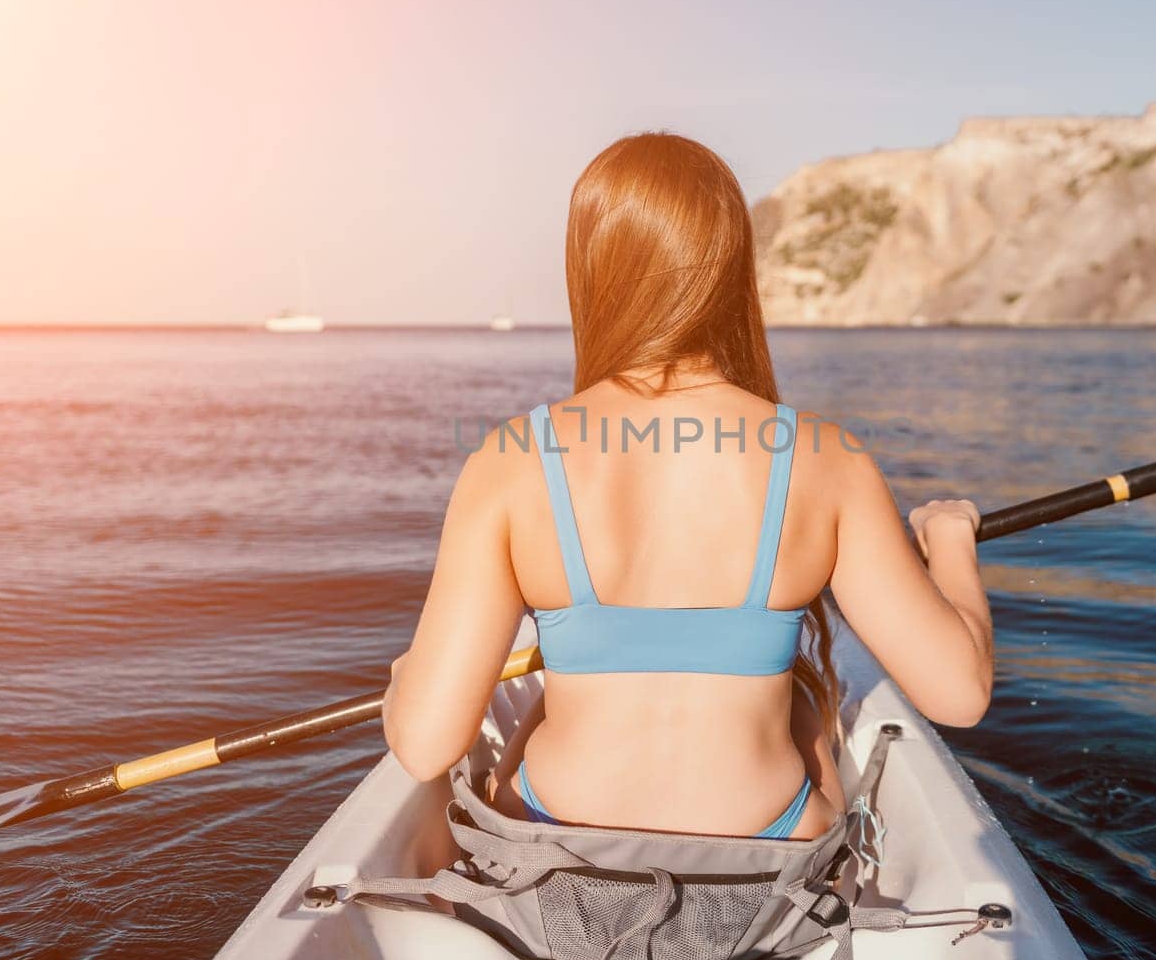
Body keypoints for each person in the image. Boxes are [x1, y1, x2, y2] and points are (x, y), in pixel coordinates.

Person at [383, 132, 993, 844]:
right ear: (732, 269)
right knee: (806, 710)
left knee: (529, 724)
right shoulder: (827, 460)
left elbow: (425, 745)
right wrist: (950, 543)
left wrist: (405, 683)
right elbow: (961, 693)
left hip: (558, 860)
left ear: (590, 268)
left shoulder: (511, 460)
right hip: (764, 868)